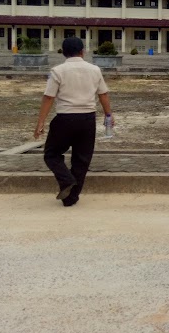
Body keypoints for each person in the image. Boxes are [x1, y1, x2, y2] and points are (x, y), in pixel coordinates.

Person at [34, 36, 113, 207]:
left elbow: (49, 97)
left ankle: (67, 181)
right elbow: (103, 94)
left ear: (63, 52)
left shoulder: (58, 71)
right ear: (82, 51)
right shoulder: (94, 70)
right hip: (87, 119)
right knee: (81, 159)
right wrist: (109, 116)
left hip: (65, 118)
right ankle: (71, 198)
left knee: (52, 154)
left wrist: (40, 123)